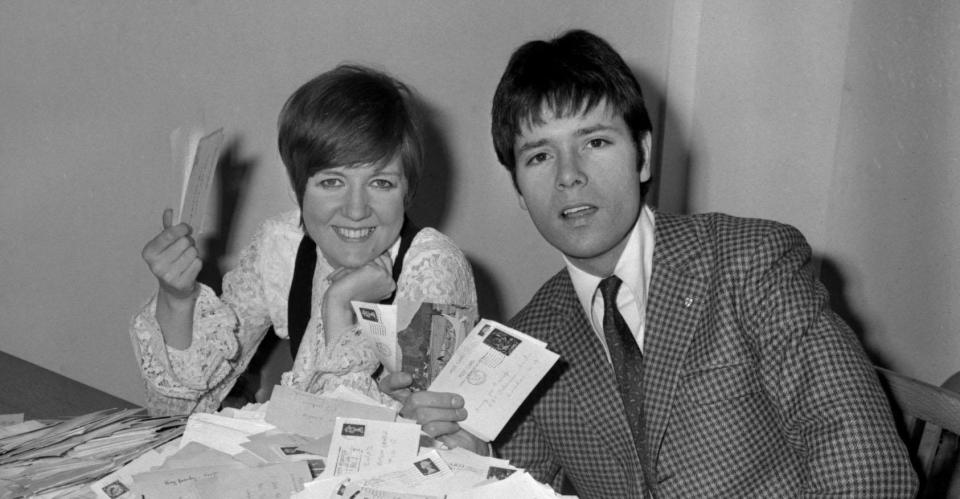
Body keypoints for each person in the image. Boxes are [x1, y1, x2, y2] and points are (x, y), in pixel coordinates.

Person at [381, 30, 917, 497]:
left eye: (594, 141)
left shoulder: (750, 264)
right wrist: (471, 450)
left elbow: (867, 468)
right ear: (519, 188)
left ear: (642, 152)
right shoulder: (531, 338)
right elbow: (526, 486)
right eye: (539, 156)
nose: (568, 175)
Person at [132, 65, 478, 416]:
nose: (356, 210)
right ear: (297, 188)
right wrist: (177, 300)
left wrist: (338, 303)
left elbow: (405, 448)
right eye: (331, 182)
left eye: (381, 183)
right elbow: (178, 411)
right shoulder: (281, 246)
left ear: (407, 191)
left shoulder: (433, 269)